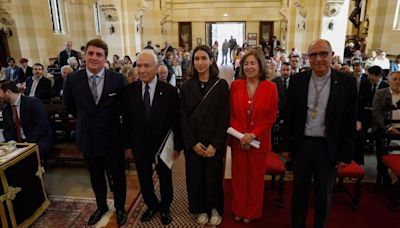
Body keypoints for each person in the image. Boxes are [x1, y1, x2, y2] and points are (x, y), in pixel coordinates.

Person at [283, 39, 357, 228]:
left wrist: (346, 154)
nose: (318, 59)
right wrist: (285, 146)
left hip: (328, 147)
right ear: (308, 58)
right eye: (313, 55)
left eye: (323, 54)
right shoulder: (298, 80)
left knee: (324, 194)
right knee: (299, 191)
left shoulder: (346, 82)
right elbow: (288, 116)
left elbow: (350, 120)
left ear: (332, 55)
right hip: (303, 145)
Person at [63, 39, 127, 226]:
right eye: (90, 53)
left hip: (112, 139)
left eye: (99, 54)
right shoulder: (73, 79)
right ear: (84, 56)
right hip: (88, 138)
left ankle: (120, 207)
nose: (94, 57)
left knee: (118, 176)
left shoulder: (117, 79)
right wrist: (87, 120)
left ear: (105, 58)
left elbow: (123, 108)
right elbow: (70, 107)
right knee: (96, 176)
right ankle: (101, 206)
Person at [122, 50, 182, 225]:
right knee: (144, 178)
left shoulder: (170, 92)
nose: (141, 70)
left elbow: (175, 121)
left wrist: (177, 146)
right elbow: (126, 121)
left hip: (163, 145)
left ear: (156, 68)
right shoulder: (129, 91)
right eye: (139, 65)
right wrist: (127, 146)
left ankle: (165, 207)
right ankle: (151, 205)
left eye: (146, 65)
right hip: (139, 144)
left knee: (165, 177)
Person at [180, 45, 230, 225]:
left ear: (211, 60)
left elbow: (224, 117)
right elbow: (182, 117)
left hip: (212, 143)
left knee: (213, 177)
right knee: (195, 177)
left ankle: (215, 208)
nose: (200, 62)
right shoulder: (186, 85)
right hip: (193, 143)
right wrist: (192, 143)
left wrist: (215, 144)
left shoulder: (221, 85)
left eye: (203, 58)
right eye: (196, 59)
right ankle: (200, 208)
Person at [230, 49, 278, 223]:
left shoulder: (271, 87)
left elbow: (271, 116)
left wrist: (253, 135)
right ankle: (238, 209)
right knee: (239, 177)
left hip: (259, 141)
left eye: (253, 63)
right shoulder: (235, 85)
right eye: (246, 64)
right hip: (238, 140)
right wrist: (242, 136)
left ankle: (251, 212)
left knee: (256, 179)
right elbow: (231, 113)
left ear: (260, 65)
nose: (249, 67)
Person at [0, 80, 53, 161]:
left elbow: (42, 126)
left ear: (8, 91)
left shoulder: (33, 102)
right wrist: (11, 141)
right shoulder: (6, 108)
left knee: (25, 158)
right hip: (18, 142)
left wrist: (27, 142)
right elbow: (7, 129)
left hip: (37, 139)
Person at [371, 71, 400, 189]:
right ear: (389, 81)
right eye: (395, 79)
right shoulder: (381, 93)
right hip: (385, 129)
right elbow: (376, 113)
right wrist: (389, 128)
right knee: (384, 145)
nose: (398, 82)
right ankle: (388, 177)